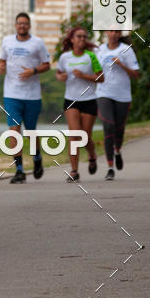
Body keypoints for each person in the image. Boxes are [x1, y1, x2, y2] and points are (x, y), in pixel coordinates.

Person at [0, 13, 50, 183]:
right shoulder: (7, 41)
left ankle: (37, 159)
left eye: (25, 24)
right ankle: (19, 170)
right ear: (15, 25)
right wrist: (0, 66)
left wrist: (33, 71)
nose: (22, 26)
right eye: (19, 23)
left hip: (32, 95)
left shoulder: (38, 43)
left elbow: (47, 65)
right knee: (14, 130)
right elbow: (2, 61)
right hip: (11, 94)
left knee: (30, 132)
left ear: (29, 26)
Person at [55, 27, 101, 182]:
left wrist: (84, 76)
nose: (82, 39)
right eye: (78, 36)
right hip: (71, 100)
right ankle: (74, 171)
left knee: (85, 136)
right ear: (72, 39)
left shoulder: (91, 56)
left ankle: (92, 155)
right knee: (74, 135)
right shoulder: (65, 57)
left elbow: (101, 78)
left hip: (89, 100)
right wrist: (60, 77)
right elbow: (59, 72)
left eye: (84, 36)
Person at [96, 31, 140, 180]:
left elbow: (136, 74)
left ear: (120, 33)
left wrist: (122, 65)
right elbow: (95, 71)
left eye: (117, 31)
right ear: (106, 32)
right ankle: (110, 167)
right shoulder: (100, 50)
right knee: (108, 126)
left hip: (122, 95)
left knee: (119, 130)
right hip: (103, 93)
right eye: (111, 31)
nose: (113, 34)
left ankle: (118, 150)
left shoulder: (126, 50)